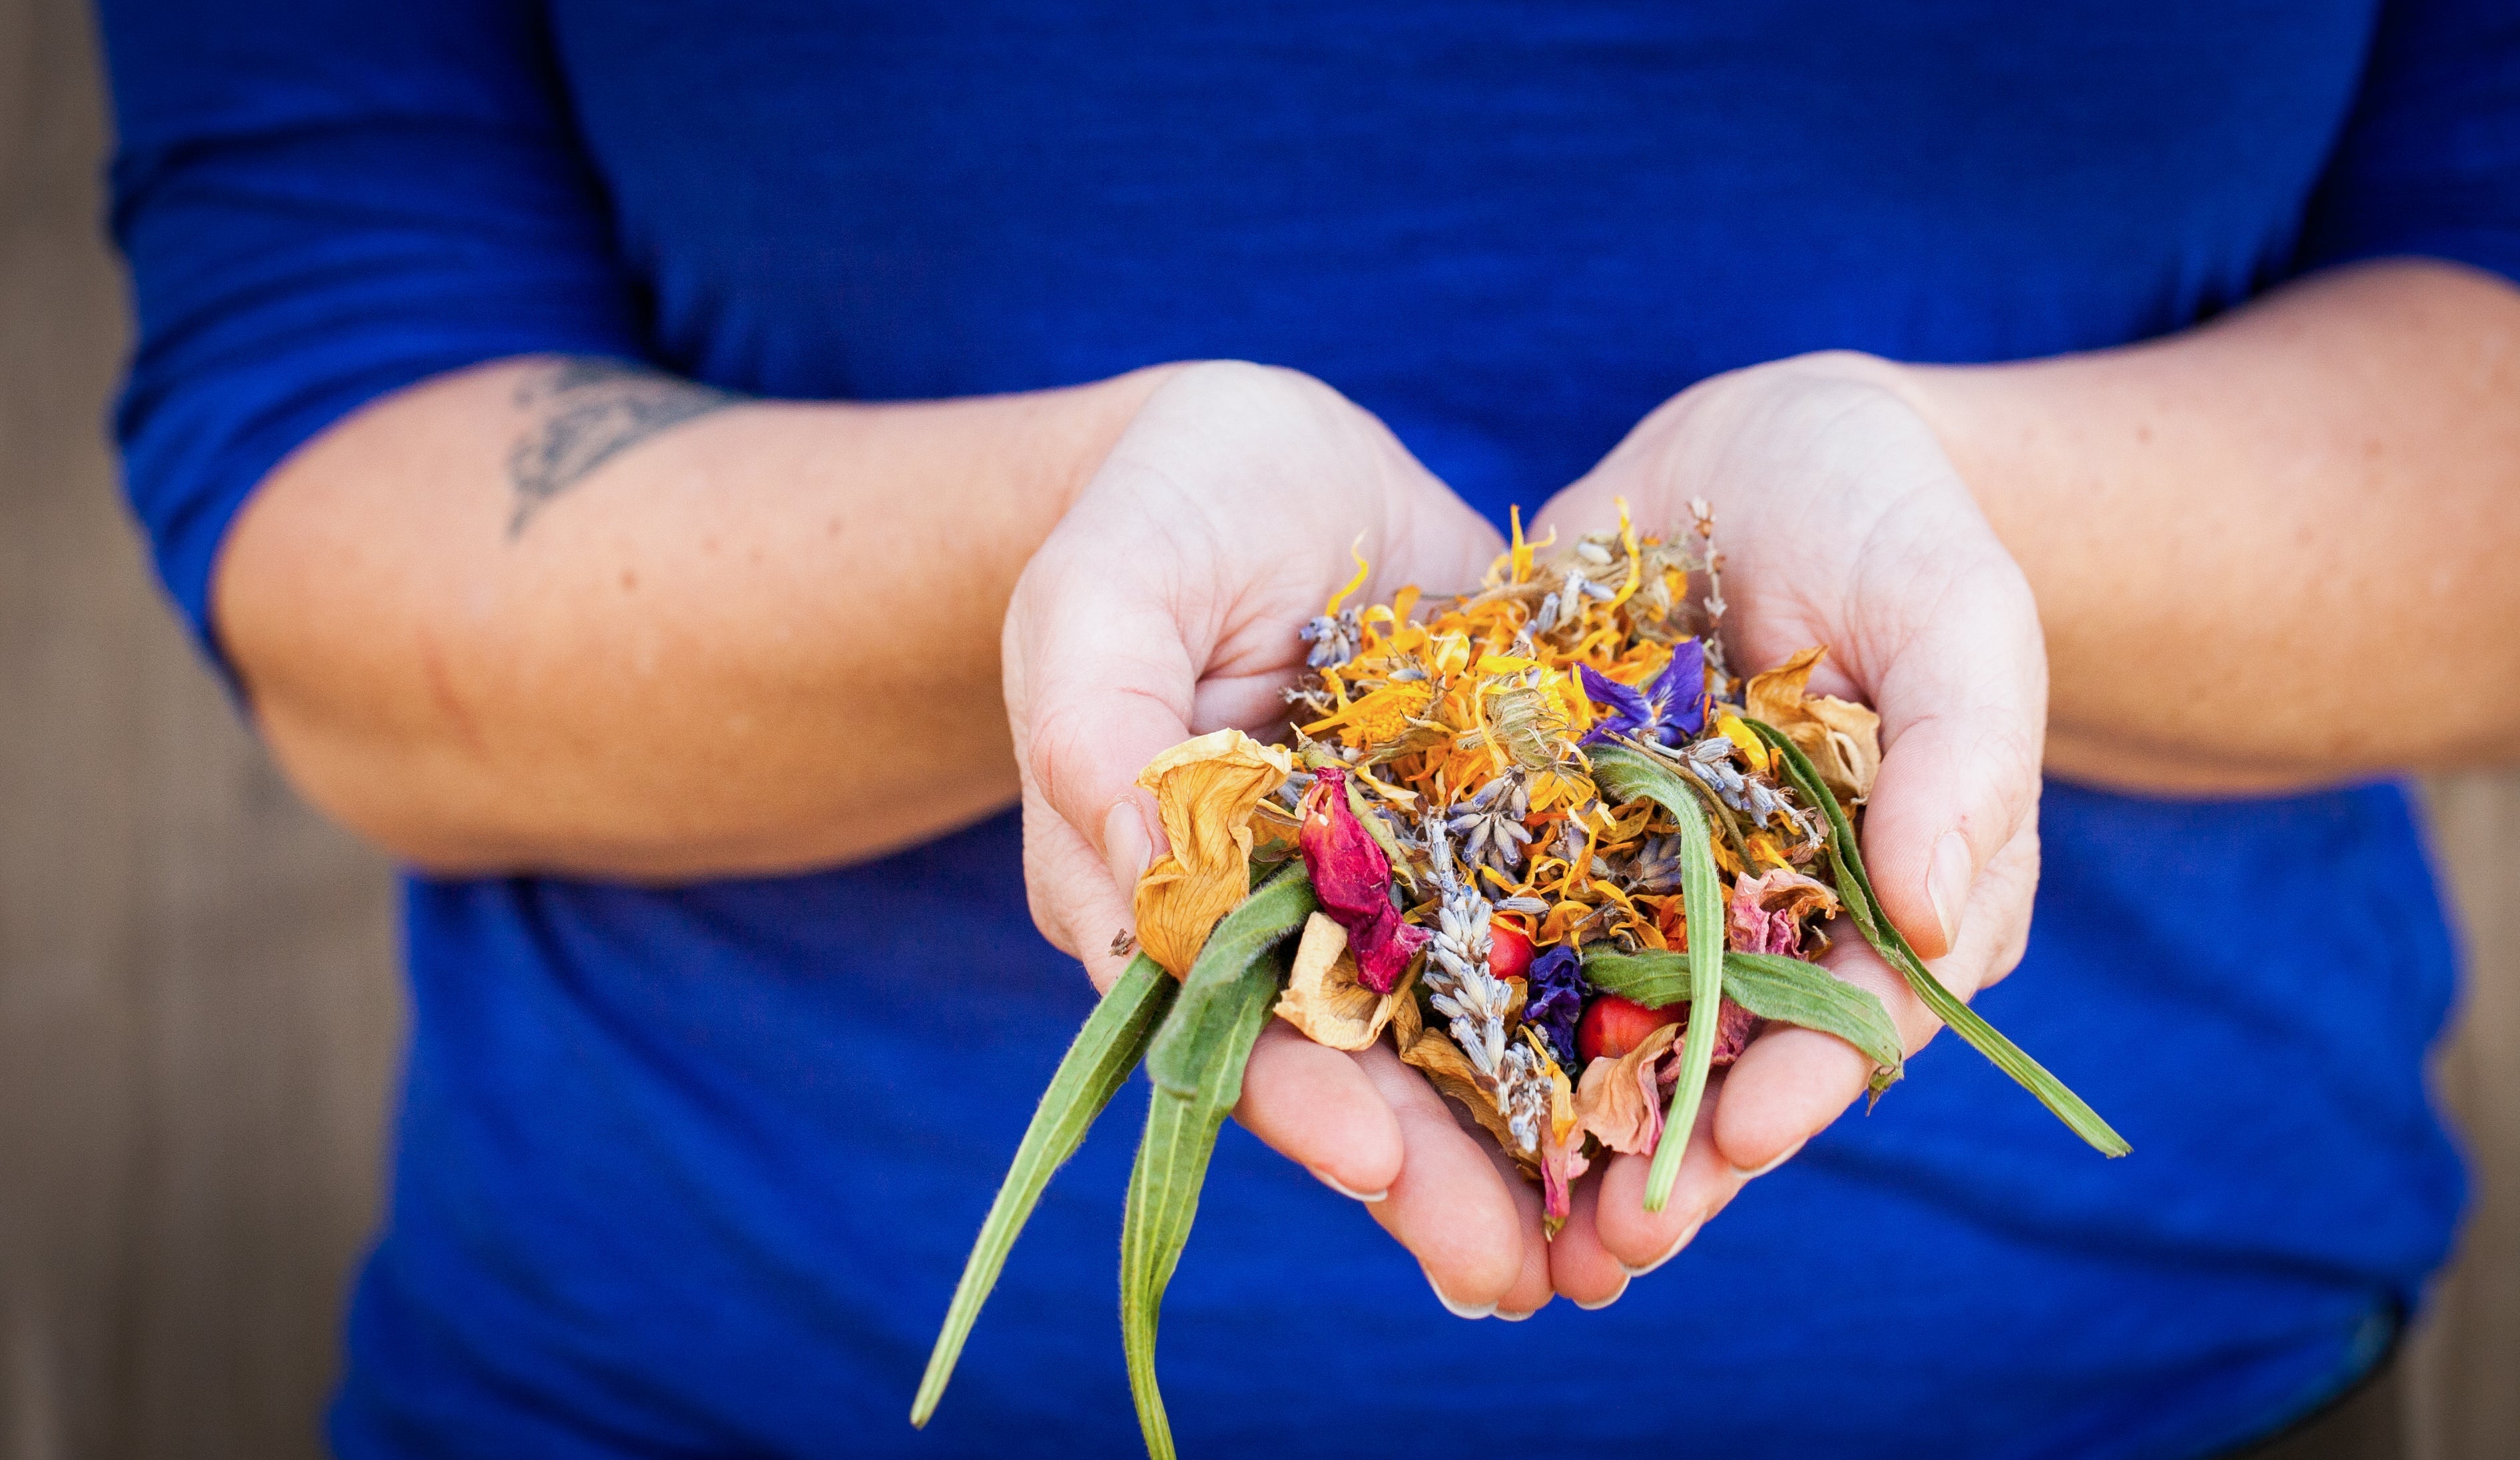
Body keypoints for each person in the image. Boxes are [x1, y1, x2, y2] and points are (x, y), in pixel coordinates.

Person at [97, 0, 2519, 1455]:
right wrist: (1070, 539)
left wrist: (1942, 512)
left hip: (2151, 1388)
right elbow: (342, 532)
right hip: (702, 1381)